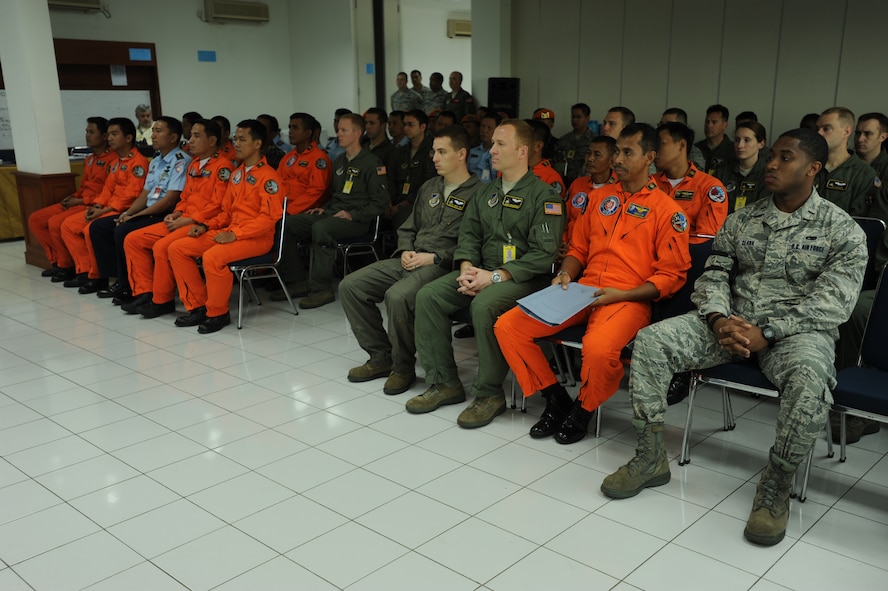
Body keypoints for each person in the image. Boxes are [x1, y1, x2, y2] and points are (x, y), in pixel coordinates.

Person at [601, 128, 868, 547]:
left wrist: (768, 332)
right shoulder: (742, 219)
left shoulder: (844, 231)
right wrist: (716, 318)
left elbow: (832, 304)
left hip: (796, 335)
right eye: (772, 157)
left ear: (813, 168)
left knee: (811, 382)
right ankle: (650, 457)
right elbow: (714, 274)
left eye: (785, 157)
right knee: (652, 341)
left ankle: (776, 486)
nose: (772, 164)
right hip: (728, 324)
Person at [495, 123, 690, 443]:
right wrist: (566, 275)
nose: (618, 159)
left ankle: (583, 409)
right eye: (617, 151)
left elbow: (671, 277)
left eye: (628, 152)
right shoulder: (600, 199)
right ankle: (555, 398)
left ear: (650, 158)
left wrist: (622, 294)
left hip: (628, 296)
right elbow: (578, 249)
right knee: (509, 326)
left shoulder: (667, 210)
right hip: (582, 288)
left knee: (598, 349)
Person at [406, 119, 562, 428]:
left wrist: (494, 277)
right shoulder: (486, 192)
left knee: (484, 303)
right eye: (492, 143)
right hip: (481, 272)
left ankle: (490, 394)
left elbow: (543, 256)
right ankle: (444, 383)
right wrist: (466, 268)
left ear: (522, 151)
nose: (491, 150)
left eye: (500, 144)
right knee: (429, 296)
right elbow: (469, 238)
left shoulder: (545, 196)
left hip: (524, 279)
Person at [340, 125, 481, 395]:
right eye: (433, 152)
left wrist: (435, 257)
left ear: (461, 154)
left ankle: (402, 367)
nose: (434, 158)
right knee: (351, 286)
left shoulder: (479, 193)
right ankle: (381, 357)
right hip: (411, 257)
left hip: (441, 265)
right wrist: (404, 249)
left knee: (398, 296)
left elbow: (476, 245)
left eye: (442, 152)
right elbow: (407, 227)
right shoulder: (430, 187)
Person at [167, 119, 284, 333]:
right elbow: (226, 212)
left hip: (257, 239)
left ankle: (218, 313)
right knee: (178, 248)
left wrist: (235, 234)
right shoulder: (238, 174)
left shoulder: (269, 177)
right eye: (235, 139)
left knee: (213, 257)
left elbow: (268, 219)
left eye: (242, 139)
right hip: (231, 232)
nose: (236, 144)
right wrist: (205, 225)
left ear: (257, 144)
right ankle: (198, 306)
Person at [121, 118, 234, 317]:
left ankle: (171, 301)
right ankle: (144, 293)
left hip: (202, 224)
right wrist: (177, 213)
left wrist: (189, 220)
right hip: (183, 219)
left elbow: (218, 205)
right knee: (133, 240)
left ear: (212, 140)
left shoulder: (223, 167)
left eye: (197, 136)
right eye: (191, 135)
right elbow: (185, 197)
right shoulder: (195, 165)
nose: (190, 140)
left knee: (163, 247)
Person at [279, 113, 389, 309]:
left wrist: (353, 214)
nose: (338, 134)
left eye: (343, 130)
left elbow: (380, 203)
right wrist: (325, 207)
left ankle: (321, 289)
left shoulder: (373, 163)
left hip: (357, 220)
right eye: (338, 129)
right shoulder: (339, 161)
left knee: (322, 229)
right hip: (333, 213)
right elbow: (335, 194)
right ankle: (298, 281)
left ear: (357, 133)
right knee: (285, 224)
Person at [86, 116, 190, 302]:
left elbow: (169, 200)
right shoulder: (156, 161)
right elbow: (144, 195)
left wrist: (135, 216)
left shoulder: (181, 161)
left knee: (123, 231)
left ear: (173, 138)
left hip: (164, 214)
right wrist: (128, 213)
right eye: (153, 130)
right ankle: (119, 280)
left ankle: (132, 287)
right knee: (100, 227)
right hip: (149, 210)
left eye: (159, 131)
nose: (154, 135)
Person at [59, 118, 149, 293]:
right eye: (109, 134)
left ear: (129, 138)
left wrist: (104, 210)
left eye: (114, 134)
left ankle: (100, 276)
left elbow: (130, 196)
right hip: (108, 208)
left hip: (125, 210)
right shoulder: (116, 163)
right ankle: (89, 272)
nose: (109, 138)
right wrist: (98, 206)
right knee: (71, 225)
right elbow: (107, 191)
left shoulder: (139, 163)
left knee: (90, 229)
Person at [29, 117, 116, 282]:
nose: (87, 136)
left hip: (93, 204)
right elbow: (85, 186)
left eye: (92, 132)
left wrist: (81, 200)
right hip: (80, 200)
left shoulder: (113, 160)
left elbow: (106, 192)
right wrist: (74, 197)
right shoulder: (90, 159)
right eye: (86, 132)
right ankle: (60, 262)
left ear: (104, 136)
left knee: (57, 223)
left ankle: (78, 268)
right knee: (36, 219)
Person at [654, 121, 728, 242]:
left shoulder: (709, 187)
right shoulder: (649, 183)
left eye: (661, 144)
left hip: (688, 258)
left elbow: (705, 240)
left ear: (682, 145)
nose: (655, 151)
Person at [816, 107, 884, 219]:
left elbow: (860, 223)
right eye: (818, 128)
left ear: (846, 131)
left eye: (826, 129)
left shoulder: (864, 174)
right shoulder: (809, 166)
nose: (819, 133)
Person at [388, 109, 435, 231]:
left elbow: (429, 183)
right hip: (397, 201)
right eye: (404, 124)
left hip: (420, 202)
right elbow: (390, 179)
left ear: (423, 126)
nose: (406, 128)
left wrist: (404, 204)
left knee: (402, 217)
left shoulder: (432, 151)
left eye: (411, 124)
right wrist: (389, 203)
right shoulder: (400, 152)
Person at [564, 135, 617, 243]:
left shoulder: (619, 189)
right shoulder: (578, 184)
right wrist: (563, 242)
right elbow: (563, 220)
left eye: (597, 155)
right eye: (588, 153)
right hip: (569, 248)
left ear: (611, 162)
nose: (590, 159)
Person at [276, 112, 332, 215]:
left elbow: (316, 191)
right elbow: (277, 183)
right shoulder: (288, 157)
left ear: (308, 133)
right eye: (290, 127)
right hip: (281, 207)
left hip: (305, 211)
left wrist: (289, 211)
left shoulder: (319, 159)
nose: (290, 132)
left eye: (295, 128)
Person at [715, 121, 771, 213]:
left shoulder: (767, 175)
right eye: (737, 140)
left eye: (747, 140)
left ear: (761, 143)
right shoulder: (721, 173)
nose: (740, 145)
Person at [555, 103, 593, 187]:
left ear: (587, 118)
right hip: (564, 182)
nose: (575, 120)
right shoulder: (564, 139)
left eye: (579, 117)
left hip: (585, 183)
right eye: (573, 117)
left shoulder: (594, 140)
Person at [527, 119, 566, 198]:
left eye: (521, 140)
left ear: (537, 146)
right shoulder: (504, 171)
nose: (514, 144)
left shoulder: (551, 178)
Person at [695, 104, 736, 175]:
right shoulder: (696, 148)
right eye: (707, 122)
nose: (709, 126)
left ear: (725, 125)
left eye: (714, 122)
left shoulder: (734, 150)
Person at [467, 112, 501, 183]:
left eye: (489, 128)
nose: (485, 130)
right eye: (482, 126)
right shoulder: (472, 151)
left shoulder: (500, 154)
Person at [854, 112, 888, 183]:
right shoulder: (845, 161)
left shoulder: (885, 168)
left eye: (868, 134)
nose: (860, 139)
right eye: (858, 133)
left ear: (883, 137)